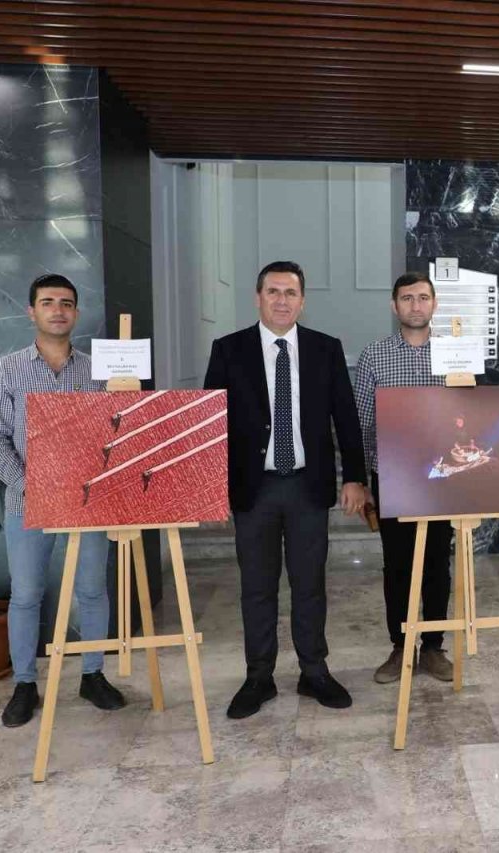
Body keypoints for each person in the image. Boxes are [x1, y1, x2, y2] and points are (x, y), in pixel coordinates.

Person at [204, 260, 367, 717]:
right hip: (253, 490)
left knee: (310, 584)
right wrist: (210, 487)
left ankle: (314, 671)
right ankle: (259, 677)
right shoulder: (229, 350)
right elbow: (211, 425)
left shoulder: (324, 349)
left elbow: (346, 418)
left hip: (306, 487)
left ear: (303, 300)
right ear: (258, 297)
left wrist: (354, 477)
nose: (281, 300)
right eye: (273, 292)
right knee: (257, 587)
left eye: (290, 292)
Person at [0, 273, 125, 728]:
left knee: (92, 589)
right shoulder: (6, 370)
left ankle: (93, 674)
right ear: (32, 311)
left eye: (66, 303)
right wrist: (30, 485)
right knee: (26, 595)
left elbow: (116, 433)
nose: (58, 309)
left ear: (76, 313)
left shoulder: (98, 370)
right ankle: (25, 683)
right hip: (28, 503)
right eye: (48, 302)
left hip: (89, 503)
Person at [354, 272, 455, 684]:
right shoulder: (374, 356)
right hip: (391, 477)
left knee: (436, 563)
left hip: (442, 479)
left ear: (434, 304)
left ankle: (433, 647)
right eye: (407, 298)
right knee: (396, 564)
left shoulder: (454, 354)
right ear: (394, 306)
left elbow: (471, 416)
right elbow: (360, 423)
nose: (416, 305)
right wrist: (358, 480)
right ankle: (400, 646)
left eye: (423, 298)